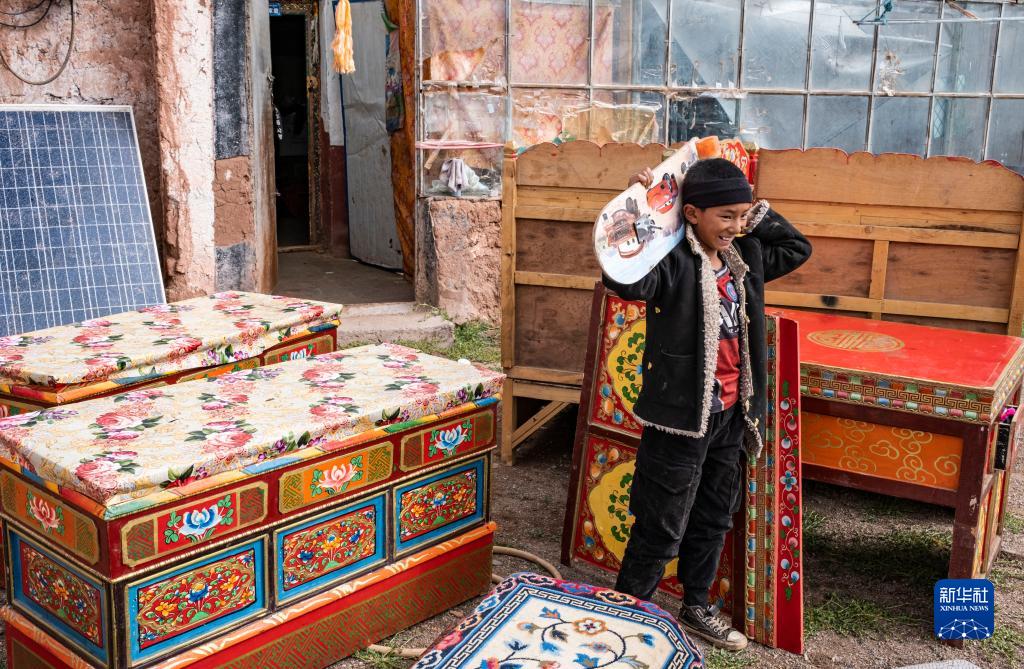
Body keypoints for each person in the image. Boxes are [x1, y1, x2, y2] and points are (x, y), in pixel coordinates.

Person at [602, 158, 811, 650]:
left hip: (733, 415)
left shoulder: (747, 255)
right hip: (680, 419)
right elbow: (623, 280)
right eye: (726, 216)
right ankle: (627, 615)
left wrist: (754, 215)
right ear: (692, 213)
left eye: (742, 215)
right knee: (661, 521)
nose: (735, 225)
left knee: (715, 514)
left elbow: (797, 248)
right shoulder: (671, 262)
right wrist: (635, 210)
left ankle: (696, 605)